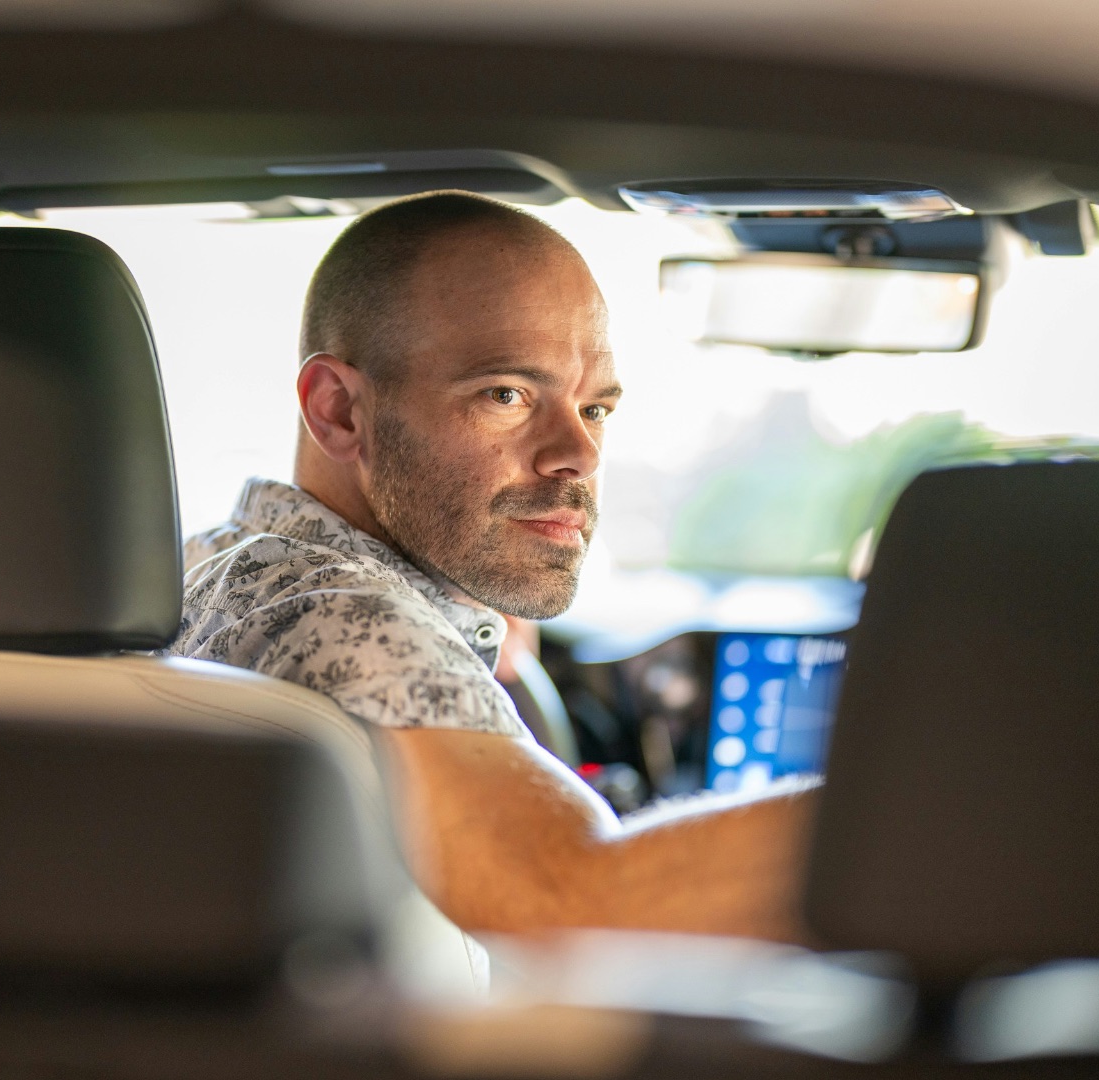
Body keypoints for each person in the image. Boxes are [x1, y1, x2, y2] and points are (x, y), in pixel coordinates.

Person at [173, 191, 815, 942]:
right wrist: (939, 810)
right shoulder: (355, 622)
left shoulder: (225, 558)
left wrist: (469, 641)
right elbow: (575, 903)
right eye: (507, 394)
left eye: (595, 408)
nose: (578, 454)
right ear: (339, 411)